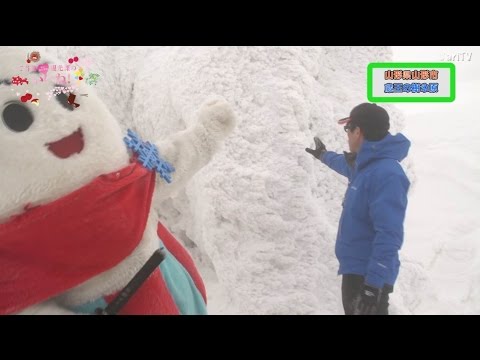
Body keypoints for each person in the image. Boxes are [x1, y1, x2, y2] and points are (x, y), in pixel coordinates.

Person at [305, 103, 410, 315]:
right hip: (358, 272)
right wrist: (323, 155)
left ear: (358, 131)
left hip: (368, 278)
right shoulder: (367, 167)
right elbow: (345, 165)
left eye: (348, 130)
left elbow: (389, 233)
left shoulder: (386, 174)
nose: (347, 136)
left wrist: (373, 286)